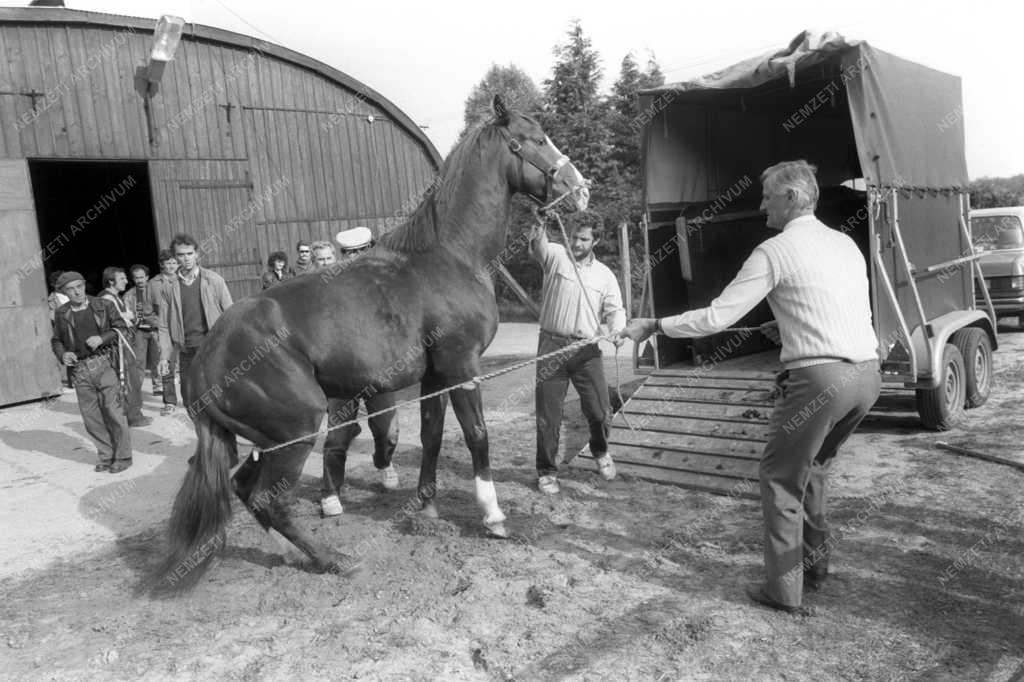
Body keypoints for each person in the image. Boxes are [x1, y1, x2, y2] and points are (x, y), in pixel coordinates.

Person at [619, 160, 881, 613]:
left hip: (819, 380)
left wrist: (654, 324)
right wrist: (790, 329)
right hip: (867, 375)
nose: (760, 206)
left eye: (767, 196)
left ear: (793, 198)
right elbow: (843, 308)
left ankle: (783, 594)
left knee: (779, 479)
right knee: (815, 467)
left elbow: (718, 316)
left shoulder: (774, 251)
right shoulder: (845, 245)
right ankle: (817, 566)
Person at [529, 210, 625, 495]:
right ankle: (546, 471)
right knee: (548, 415)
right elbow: (537, 245)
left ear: (595, 241)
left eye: (584, 239)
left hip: (586, 350)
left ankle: (600, 450)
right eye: (574, 237)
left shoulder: (604, 275)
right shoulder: (556, 255)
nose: (577, 243)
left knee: (600, 410)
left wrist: (617, 330)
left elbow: (615, 310)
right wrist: (540, 222)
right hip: (552, 346)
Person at [318, 226, 399, 517]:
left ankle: (383, 462)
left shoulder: (386, 286)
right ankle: (330, 490)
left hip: (379, 373)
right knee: (337, 436)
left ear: (370, 251)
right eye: (348, 254)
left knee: (389, 432)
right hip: (342, 374)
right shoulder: (329, 288)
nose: (353, 259)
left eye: (359, 253)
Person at [50, 271, 135, 473]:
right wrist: (63, 355)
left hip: (105, 363)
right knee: (91, 417)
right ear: (63, 293)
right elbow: (56, 340)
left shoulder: (103, 305)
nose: (77, 292)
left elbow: (123, 329)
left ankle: (123, 456)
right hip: (80, 369)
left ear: (84, 285)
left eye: (80, 286)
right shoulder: (62, 313)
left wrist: (102, 338)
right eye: (71, 289)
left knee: (113, 411)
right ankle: (106, 456)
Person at [156, 233, 234, 409]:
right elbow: (163, 326)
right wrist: (164, 358)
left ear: (197, 254)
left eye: (189, 253)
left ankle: (220, 436)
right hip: (186, 352)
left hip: (212, 349)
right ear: (175, 257)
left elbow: (231, 315)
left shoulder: (214, 281)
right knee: (190, 399)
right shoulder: (169, 287)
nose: (186, 259)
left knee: (219, 399)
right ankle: (204, 435)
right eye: (181, 255)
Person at [99, 266, 151, 428]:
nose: (127, 281)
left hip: (127, 341)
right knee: (128, 380)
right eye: (122, 279)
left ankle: (132, 413)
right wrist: (130, 321)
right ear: (111, 281)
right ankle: (133, 416)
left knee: (132, 379)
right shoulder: (106, 300)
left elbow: (131, 317)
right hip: (120, 345)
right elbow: (120, 323)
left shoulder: (116, 297)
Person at [149, 250, 180, 416]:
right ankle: (169, 401)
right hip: (165, 332)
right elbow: (147, 310)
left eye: (174, 263)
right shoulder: (153, 284)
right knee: (167, 365)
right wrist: (160, 326)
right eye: (168, 263)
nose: (172, 266)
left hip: (184, 328)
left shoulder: (184, 280)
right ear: (162, 265)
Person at [123, 264, 161, 397]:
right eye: (136, 278)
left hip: (156, 330)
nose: (140, 280)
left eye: (142, 277)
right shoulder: (129, 295)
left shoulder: (156, 291)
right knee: (139, 361)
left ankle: (158, 386)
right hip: (139, 331)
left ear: (147, 277)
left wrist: (154, 321)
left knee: (158, 359)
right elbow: (126, 315)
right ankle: (136, 389)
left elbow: (164, 311)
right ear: (133, 279)